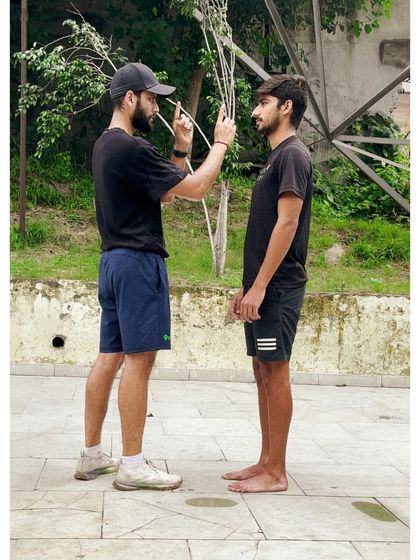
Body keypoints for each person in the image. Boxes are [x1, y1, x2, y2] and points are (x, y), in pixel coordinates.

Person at [74, 62, 236, 491]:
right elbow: (195, 189)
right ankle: (132, 465)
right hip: (138, 264)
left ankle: (92, 455)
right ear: (129, 98)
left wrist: (180, 148)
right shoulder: (133, 148)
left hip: (113, 263)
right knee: (139, 361)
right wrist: (220, 144)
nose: (156, 107)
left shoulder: (105, 146)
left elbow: (163, 193)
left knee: (109, 356)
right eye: (150, 99)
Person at [222, 74, 312, 493]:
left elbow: (287, 224)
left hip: (278, 287)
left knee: (275, 371)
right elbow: (263, 230)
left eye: (263, 103)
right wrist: (247, 285)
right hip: (262, 286)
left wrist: (260, 287)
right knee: (262, 369)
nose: (255, 111)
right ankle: (265, 460)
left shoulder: (293, 155)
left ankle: (277, 472)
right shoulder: (276, 159)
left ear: (286, 107)